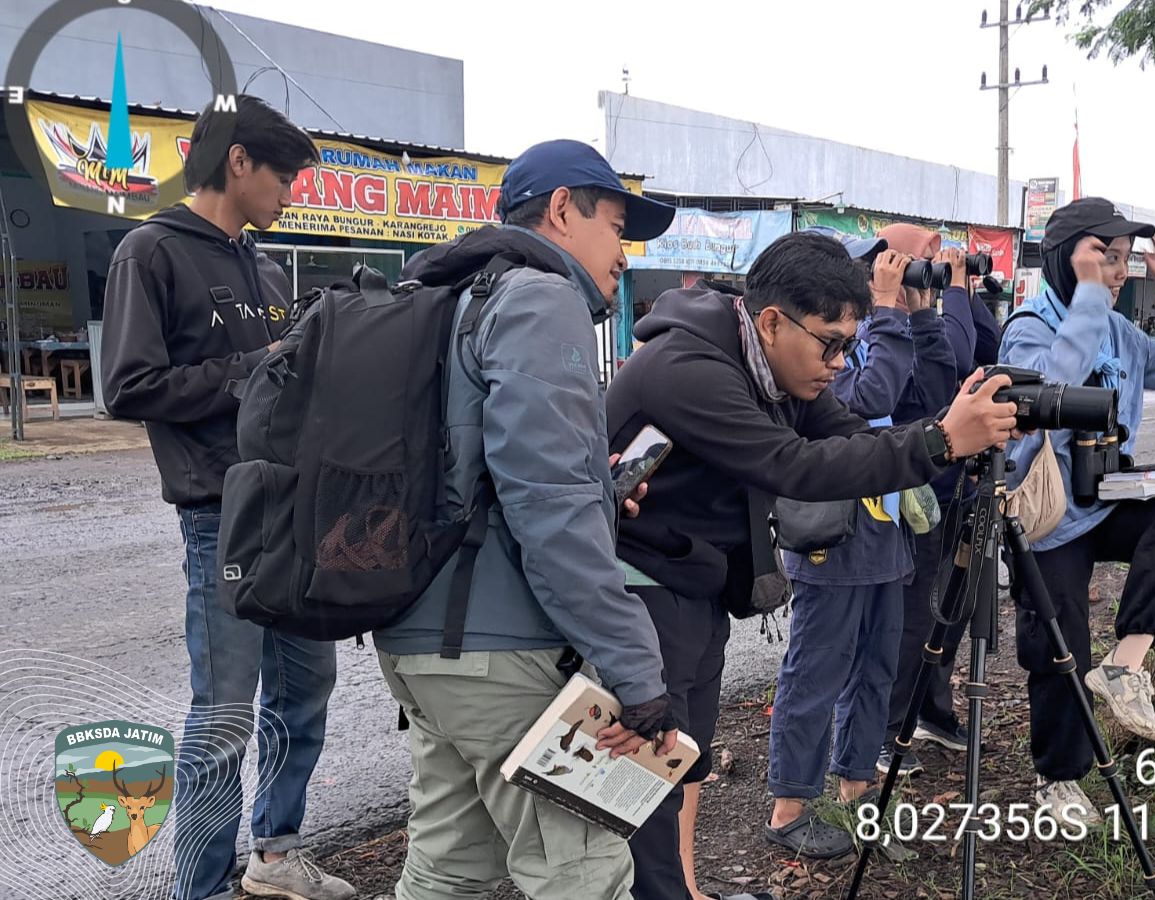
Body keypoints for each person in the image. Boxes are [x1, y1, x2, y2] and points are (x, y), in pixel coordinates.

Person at [605, 231, 1019, 900]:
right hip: (638, 587)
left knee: (687, 756)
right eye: (830, 344)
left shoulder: (776, 364)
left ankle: (686, 890)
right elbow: (793, 466)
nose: (840, 363)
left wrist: (954, 434)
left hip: (693, 577)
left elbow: (851, 437)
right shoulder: (689, 367)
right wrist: (940, 440)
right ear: (772, 322)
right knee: (651, 767)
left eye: (849, 345)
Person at [372, 139, 680, 899]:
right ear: (563, 210)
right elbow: (551, 507)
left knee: (448, 869)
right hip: (506, 655)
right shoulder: (542, 299)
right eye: (616, 227)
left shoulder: (448, 296)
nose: (624, 253)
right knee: (583, 875)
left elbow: (487, 474)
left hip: (421, 643)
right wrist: (636, 672)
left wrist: (595, 486)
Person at [99, 95, 352, 900]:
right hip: (221, 516)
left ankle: (274, 856)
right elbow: (128, 386)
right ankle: (202, 885)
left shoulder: (265, 266)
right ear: (237, 161)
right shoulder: (151, 253)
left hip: (296, 511)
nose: (290, 194)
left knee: (305, 690)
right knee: (225, 712)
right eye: (284, 176)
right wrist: (255, 367)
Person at [998, 197, 1155, 827]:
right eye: (1106, 258)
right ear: (1068, 260)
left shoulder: (1119, 331)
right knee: (1058, 639)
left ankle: (1125, 664)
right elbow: (1048, 391)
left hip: (1107, 499)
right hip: (1048, 516)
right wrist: (1089, 298)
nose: (1118, 273)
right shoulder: (1029, 326)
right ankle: (1059, 778)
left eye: (1123, 260)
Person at [762, 236, 955, 860]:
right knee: (817, 671)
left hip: (887, 534)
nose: (881, 277)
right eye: (875, 267)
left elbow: (934, 395)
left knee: (878, 669)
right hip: (832, 537)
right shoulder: (825, 349)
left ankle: (857, 788)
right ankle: (789, 806)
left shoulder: (882, 332)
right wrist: (888, 311)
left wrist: (922, 315)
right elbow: (868, 401)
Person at [879, 229, 1001, 776]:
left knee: (954, 610)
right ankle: (888, 729)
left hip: (957, 489)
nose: (935, 270)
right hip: (917, 494)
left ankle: (931, 710)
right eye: (925, 261)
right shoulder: (891, 323)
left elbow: (987, 349)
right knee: (913, 620)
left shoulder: (932, 314)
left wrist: (965, 289)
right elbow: (955, 357)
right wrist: (948, 289)